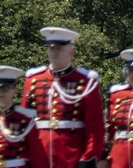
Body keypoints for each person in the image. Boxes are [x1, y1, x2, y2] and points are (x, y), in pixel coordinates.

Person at [21, 27, 106, 168]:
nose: (54, 52)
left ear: (72, 51)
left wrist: (88, 158)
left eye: (59, 48)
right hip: (39, 155)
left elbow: (95, 128)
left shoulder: (85, 81)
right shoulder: (33, 79)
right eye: (51, 48)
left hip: (70, 156)